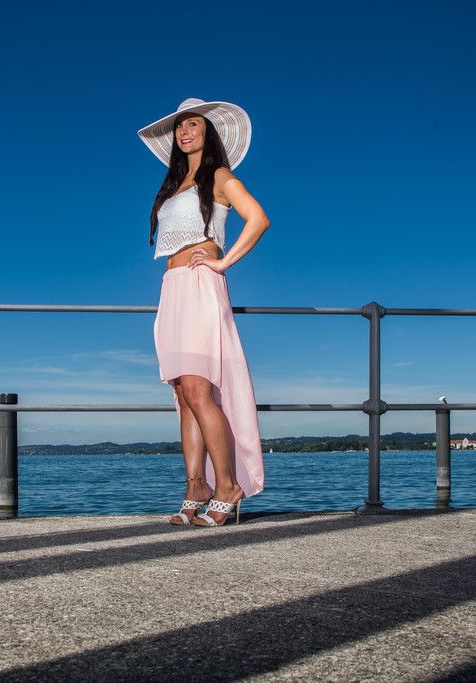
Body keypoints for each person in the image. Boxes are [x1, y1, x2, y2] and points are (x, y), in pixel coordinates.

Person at [138, 98, 270, 527]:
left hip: (199, 284)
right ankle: (196, 485)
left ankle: (227, 486)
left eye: (193, 124)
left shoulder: (219, 176)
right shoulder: (174, 184)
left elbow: (258, 219)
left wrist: (224, 262)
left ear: (208, 131)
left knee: (198, 390)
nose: (185, 131)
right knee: (183, 393)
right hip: (172, 287)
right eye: (180, 126)